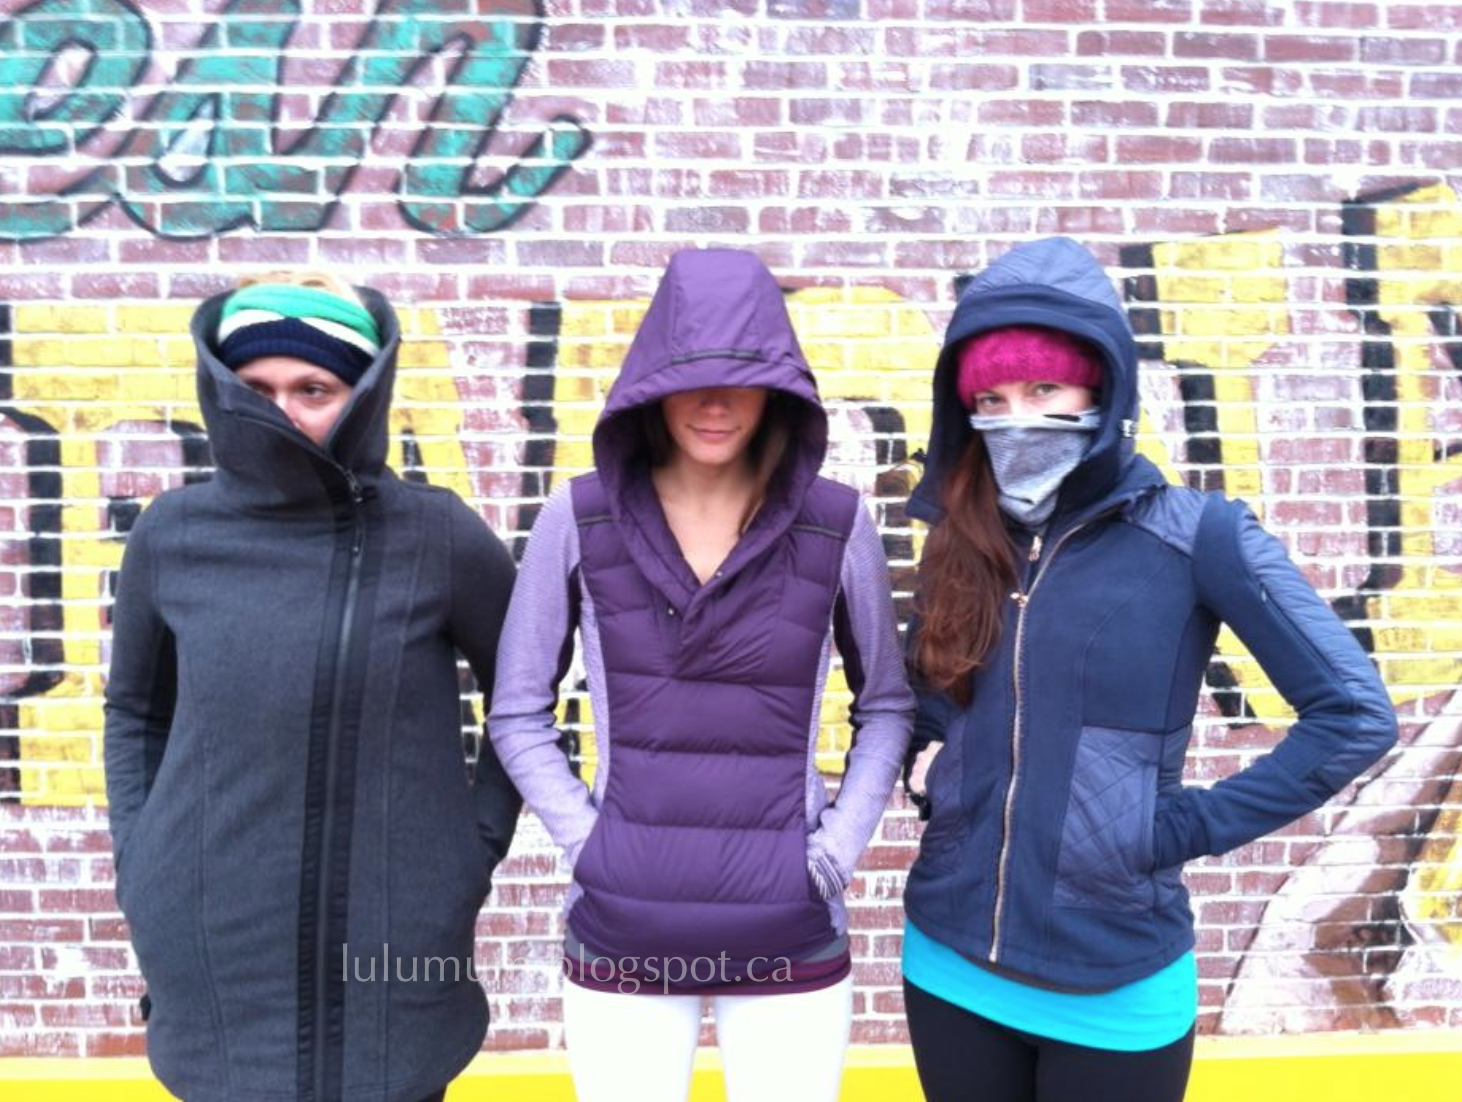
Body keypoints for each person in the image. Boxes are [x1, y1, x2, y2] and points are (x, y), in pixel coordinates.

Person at [899, 236, 1398, 1102]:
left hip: (1116, 975)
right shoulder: (962, 535)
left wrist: (1177, 829)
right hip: (947, 958)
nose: (1017, 418)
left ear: (1102, 390)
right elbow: (933, 696)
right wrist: (929, 766)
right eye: (992, 399)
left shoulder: (1197, 536)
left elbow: (1354, 714)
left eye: (1045, 390)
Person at [488, 248, 914, 1102]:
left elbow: (889, 706)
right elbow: (518, 711)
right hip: (623, 929)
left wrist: (831, 857)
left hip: (790, 931)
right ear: (651, 385)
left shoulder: (837, 524)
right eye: (691, 379)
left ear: (779, 391)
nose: (715, 404)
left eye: (742, 380)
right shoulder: (579, 516)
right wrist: (593, 846)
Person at [104, 271, 521, 1102]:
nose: (280, 411)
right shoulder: (174, 534)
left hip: (399, 936)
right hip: (213, 936)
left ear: (362, 395)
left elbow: (522, 702)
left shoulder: (437, 535)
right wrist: (140, 858)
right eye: (255, 387)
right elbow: (136, 712)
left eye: (313, 389)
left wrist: (465, 852)